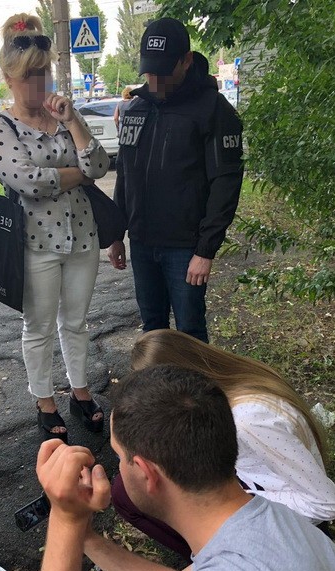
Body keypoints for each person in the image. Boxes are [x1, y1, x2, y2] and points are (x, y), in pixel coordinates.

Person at [13, 365, 335, 571]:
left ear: (146, 473)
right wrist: (86, 537)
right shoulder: (268, 517)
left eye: (119, 457)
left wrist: (65, 521)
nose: (119, 468)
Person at [0, 14, 109, 442]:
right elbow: (28, 182)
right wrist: (77, 174)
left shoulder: (64, 116)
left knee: (76, 322)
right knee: (38, 328)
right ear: (8, 78)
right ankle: (45, 402)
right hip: (34, 243)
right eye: (28, 77)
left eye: (44, 73)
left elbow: (99, 165)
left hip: (83, 237)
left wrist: (73, 122)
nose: (38, 85)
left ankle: (80, 392)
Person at [111, 329, 335, 557]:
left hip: (289, 525)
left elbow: (325, 504)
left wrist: (241, 504)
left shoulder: (249, 420)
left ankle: (214, 556)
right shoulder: (238, 381)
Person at [109, 18, 244, 343]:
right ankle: (159, 381)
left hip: (186, 248)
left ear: (186, 60)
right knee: (152, 332)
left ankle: (193, 381)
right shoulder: (135, 109)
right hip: (142, 243)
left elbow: (226, 183)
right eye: (149, 72)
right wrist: (115, 233)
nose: (155, 79)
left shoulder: (213, 109)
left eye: (163, 71)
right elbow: (125, 174)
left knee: (191, 333)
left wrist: (205, 250)